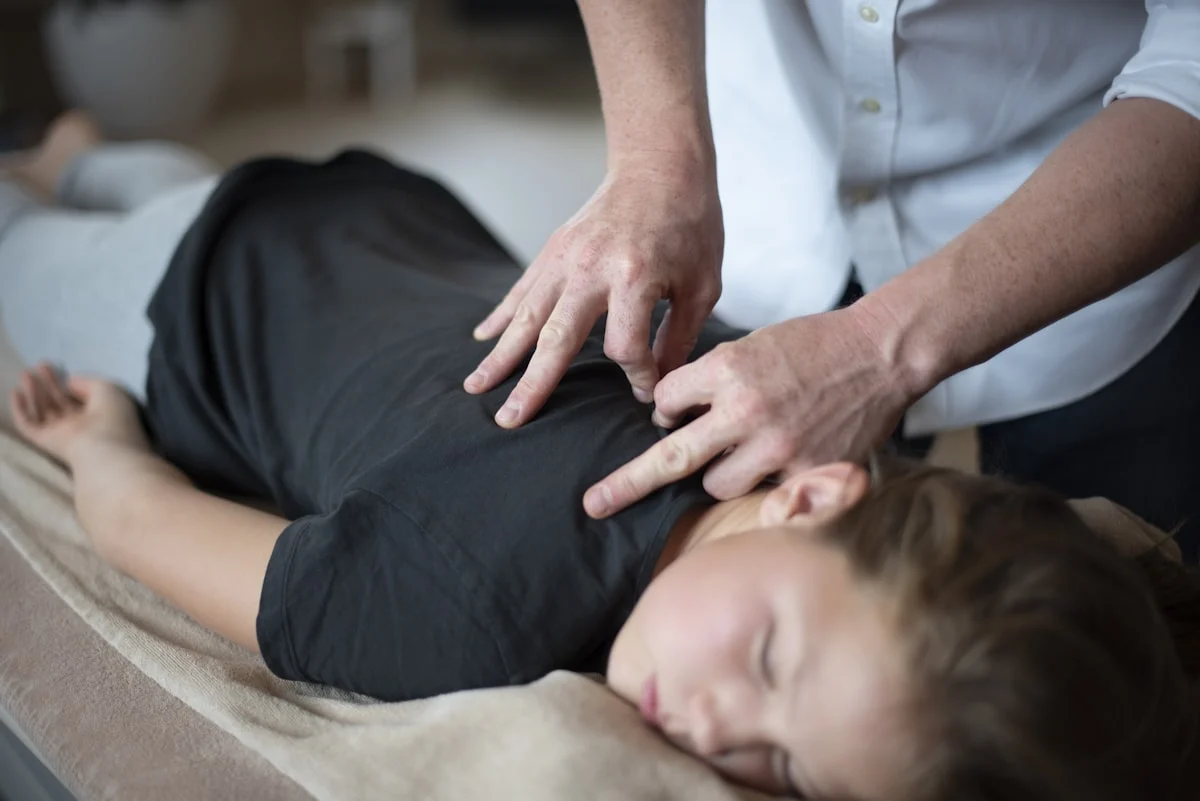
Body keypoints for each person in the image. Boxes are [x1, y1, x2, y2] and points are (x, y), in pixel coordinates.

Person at [2, 116, 1199, 801]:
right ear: (819, 496)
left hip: (377, 212)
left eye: (784, 768)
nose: (714, 730)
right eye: (773, 658)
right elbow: (149, 528)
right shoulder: (452, 616)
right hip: (195, 302)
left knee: (151, 177)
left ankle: (84, 149)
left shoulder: (787, 399)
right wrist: (102, 444)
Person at [462, 0, 1200, 562]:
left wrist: (882, 348)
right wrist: (656, 159)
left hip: (1090, 222)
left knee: (1125, 626)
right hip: (771, 186)